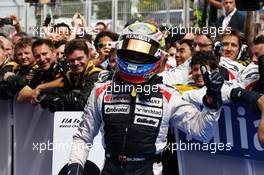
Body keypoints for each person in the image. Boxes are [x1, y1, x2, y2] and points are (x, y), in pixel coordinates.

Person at [67, 22, 225, 175]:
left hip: (148, 169)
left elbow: (202, 132)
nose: (135, 54)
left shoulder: (168, 95)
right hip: (110, 167)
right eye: (130, 49)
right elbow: (83, 136)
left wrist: (212, 102)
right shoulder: (101, 90)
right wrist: (75, 164)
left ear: (156, 54)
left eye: (141, 51)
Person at [38, 39, 102, 112]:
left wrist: (63, 101)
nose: (76, 63)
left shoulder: (97, 74)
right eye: (71, 60)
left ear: (88, 56)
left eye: (79, 58)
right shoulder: (70, 75)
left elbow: (83, 105)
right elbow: (57, 95)